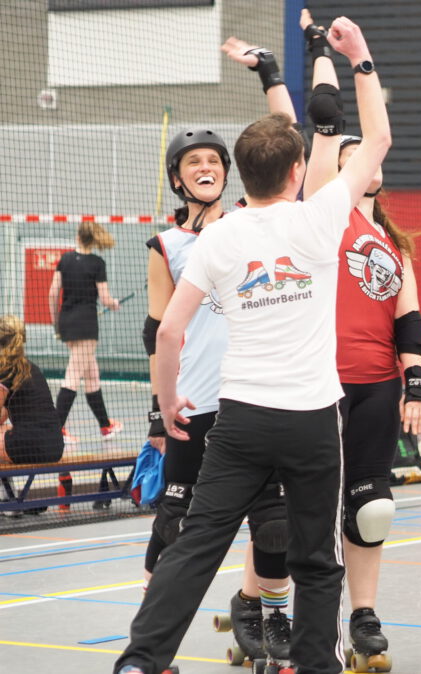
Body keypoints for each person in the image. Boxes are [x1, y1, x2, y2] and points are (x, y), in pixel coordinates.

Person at [113, 15, 390, 674]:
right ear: (298, 170)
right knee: (314, 560)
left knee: (197, 542)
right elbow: (376, 138)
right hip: (312, 420)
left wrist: (169, 399)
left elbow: (170, 331)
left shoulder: (219, 237)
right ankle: (317, 665)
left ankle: (140, 662)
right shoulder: (320, 217)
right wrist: (360, 58)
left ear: (241, 171)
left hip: (239, 417)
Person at [295, 9, 421, 669]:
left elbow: (410, 320)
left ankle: (364, 615)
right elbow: (326, 122)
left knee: (371, 508)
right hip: (319, 381)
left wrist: (415, 384)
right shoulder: (324, 212)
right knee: (311, 507)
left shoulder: (393, 242)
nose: (363, 162)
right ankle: (293, 611)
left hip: (377, 384)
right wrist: (320, 51)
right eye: (350, 157)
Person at [139, 121, 293, 665]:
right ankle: (152, 643)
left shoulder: (250, 226)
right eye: (192, 163)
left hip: (255, 400)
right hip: (194, 405)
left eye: (213, 161)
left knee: (274, 527)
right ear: (177, 180)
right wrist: (159, 413)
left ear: (229, 172)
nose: (205, 169)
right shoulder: (168, 245)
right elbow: (156, 330)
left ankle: (273, 623)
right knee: (175, 532)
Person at [48, 221, 122, 441]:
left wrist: (56, 323)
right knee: (72, 377)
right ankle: (56, 431)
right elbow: (106, 298)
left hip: (68, 323)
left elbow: (53, 293)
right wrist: (114, 304)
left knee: (92, 376)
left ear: (78, 236)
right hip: (87, 326)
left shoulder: (65, 259)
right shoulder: (97, 263)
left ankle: (105, 426)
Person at [0, 315, 64, 467]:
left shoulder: (5, 369)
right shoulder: (31, 368)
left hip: (29, 447)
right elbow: (4, 414)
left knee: (6, 434)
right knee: (6, 430)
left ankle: (5, 490)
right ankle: (9, 490)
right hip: (55, 447)